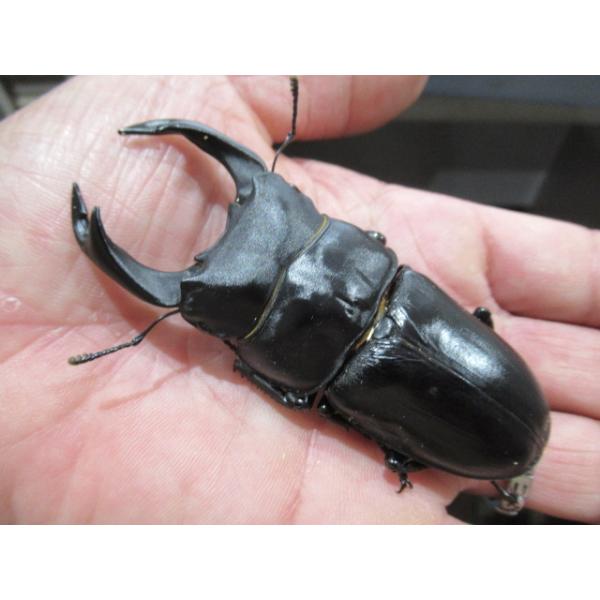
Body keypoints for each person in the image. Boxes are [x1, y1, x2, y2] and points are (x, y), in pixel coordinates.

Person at [0, 76, 598, 523]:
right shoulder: (397, 282)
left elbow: (294, 393)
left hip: (487, 425)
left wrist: (246, 361)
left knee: (314, 402)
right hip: (489, 399)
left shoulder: (331, 367)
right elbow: (298, 391)